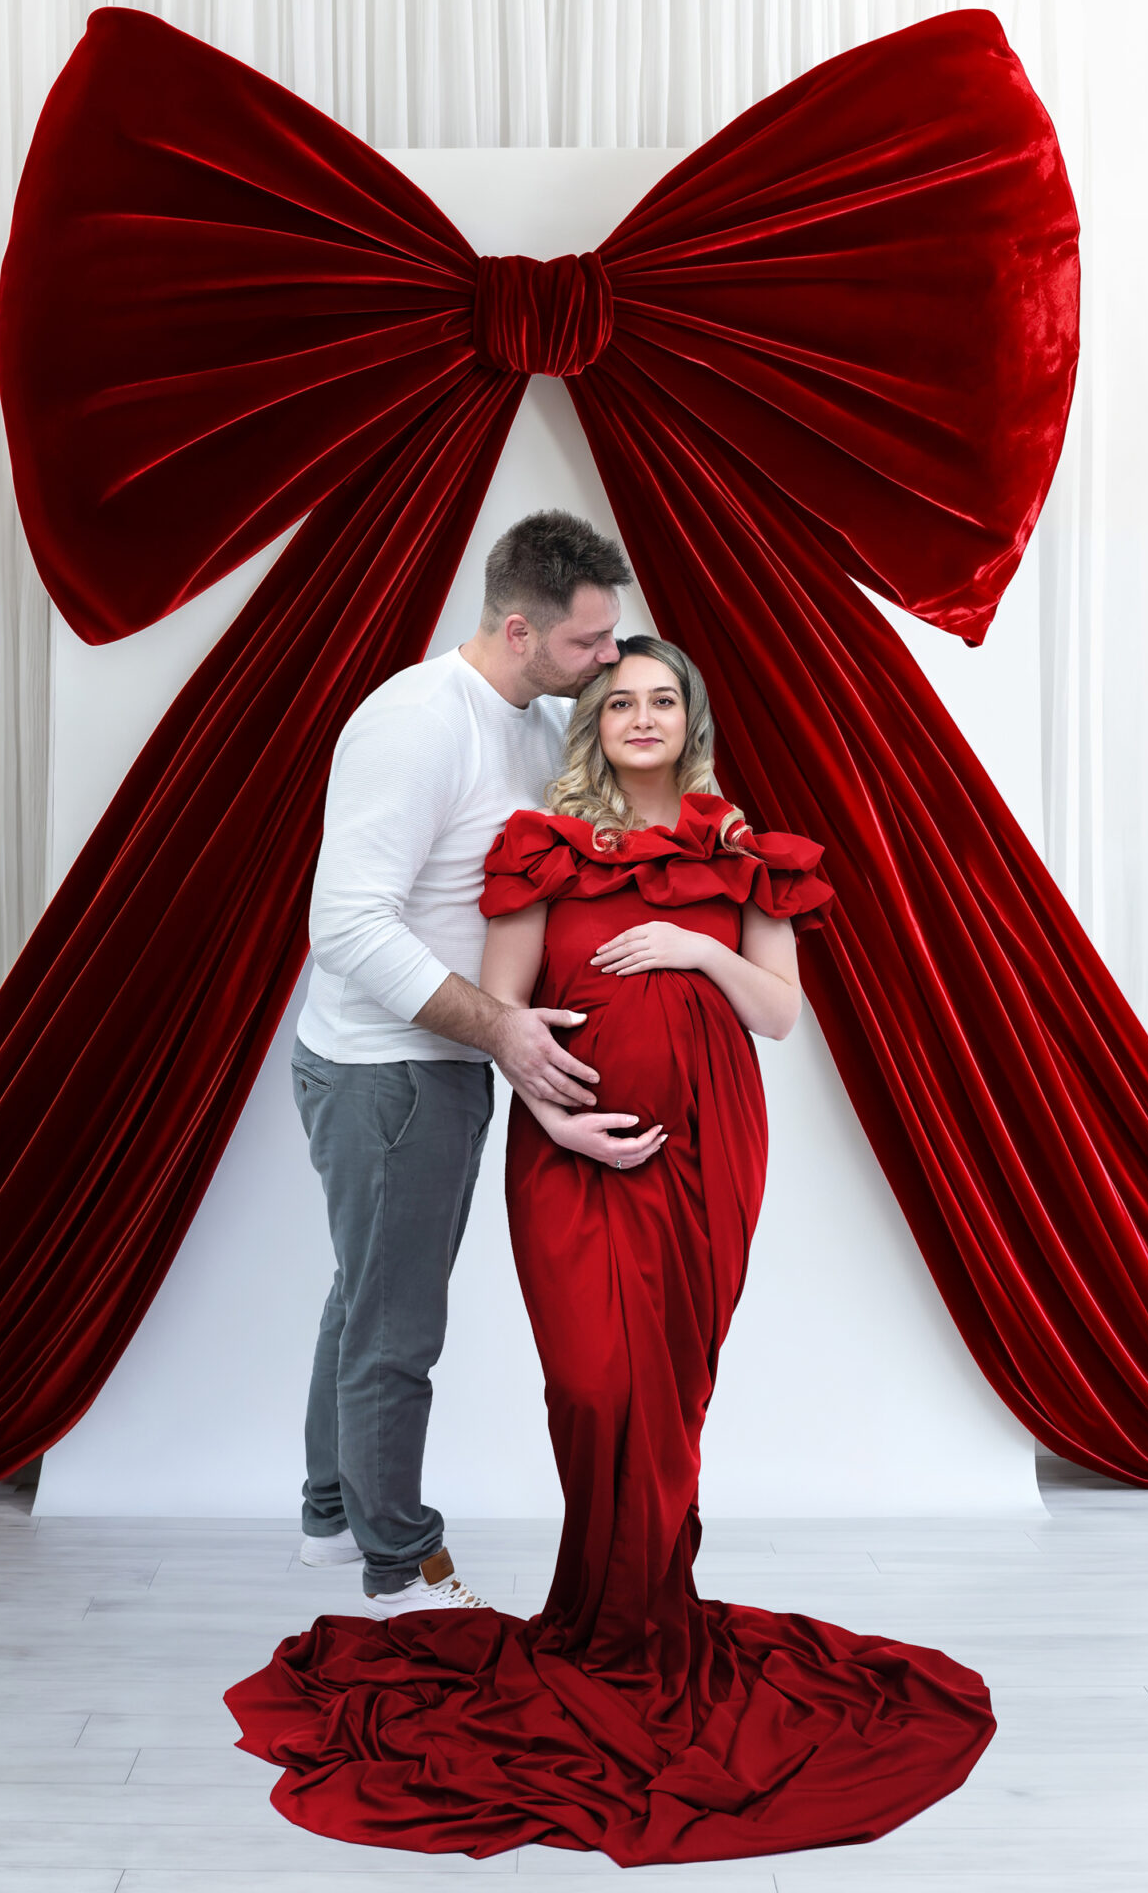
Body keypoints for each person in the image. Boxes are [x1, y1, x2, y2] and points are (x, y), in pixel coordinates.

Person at [228, 634, 996, 1866]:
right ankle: (591, 1624)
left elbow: (782, 1014)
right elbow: (503, 1014)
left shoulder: (745, 852)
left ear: (690, 719)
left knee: (671, 1397)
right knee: (592, 1388)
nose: (640, 714)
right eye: (618, 698)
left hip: (710, 1157)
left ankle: (642, 1618)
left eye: (662, 699)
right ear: (591, 722)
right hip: (569, 1155)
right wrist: (553, 1112)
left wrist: (699, 947)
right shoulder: (542, 846)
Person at [290, 508, 634, 1618]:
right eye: (592, 644)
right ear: (522, 630)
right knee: (398, 1324)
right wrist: (496, 1025)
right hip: (387, 1071)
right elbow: (343, 924)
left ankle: (331, 1517)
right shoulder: (417, 725)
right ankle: (404, 1568)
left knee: (365, 1292)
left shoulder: (534, 723)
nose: (611, 661)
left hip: (433, 1060)